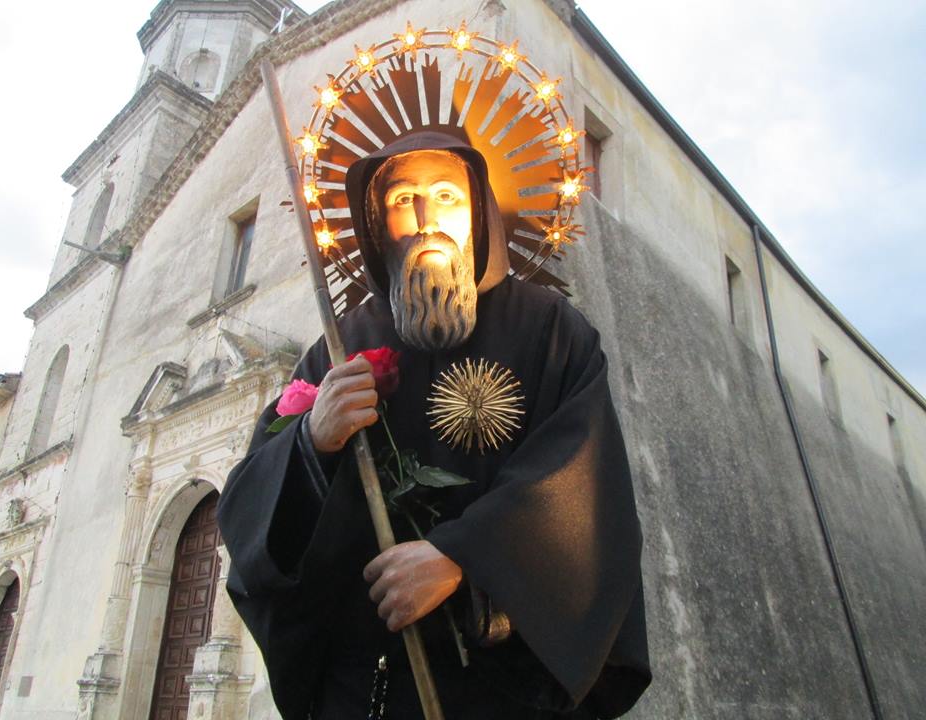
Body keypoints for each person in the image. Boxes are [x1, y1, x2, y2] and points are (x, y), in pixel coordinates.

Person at [217, 131, 651, 719]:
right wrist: (312, 441)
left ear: (478, 208)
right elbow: (250, 514)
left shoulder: (549, 331)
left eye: (445, 194)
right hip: (364, 686)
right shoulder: (341, 346)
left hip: (501, 686)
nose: (425, 217)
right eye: (402, 201)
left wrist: (464, 560)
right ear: (376, 223)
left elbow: (582, 486)